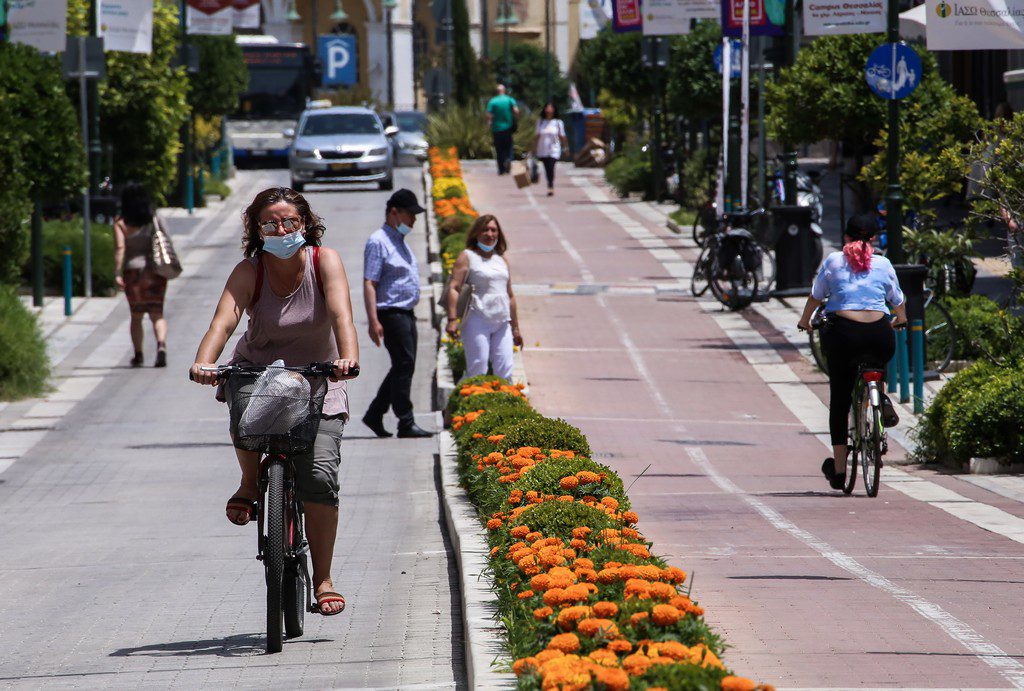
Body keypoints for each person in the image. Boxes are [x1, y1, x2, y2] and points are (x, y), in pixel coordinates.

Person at [190, 187, 359, 616]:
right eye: (270, 223)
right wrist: (204, 361)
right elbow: (223, 320)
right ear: (257, 229)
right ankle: (250, 484)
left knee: (319, 475)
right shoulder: (250, 271)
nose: (281, 229)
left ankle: (323, 579)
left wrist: (347, 357)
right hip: (261, 372)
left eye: (290, 222)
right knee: (245, 417)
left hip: (320, 376)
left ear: (306, 224)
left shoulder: (325, 262)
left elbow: (341, 315)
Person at [798, 215, 907, 490]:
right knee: (877, 362)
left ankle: (838, 471)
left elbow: (816, 295)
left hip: (844, 335)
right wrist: (901, 319)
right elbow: (898, 300)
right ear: (873, 238)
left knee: (840, 399)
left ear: (845, 237)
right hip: (878, 335)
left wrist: (804, 321)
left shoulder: (834, 261)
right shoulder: (882, 263)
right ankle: (879, 397)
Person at [361, 189, 432, 439]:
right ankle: (405, 421)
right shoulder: (378, 241)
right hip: (390, 312)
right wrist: (373, 320)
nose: (413, 220)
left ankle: (375, 413)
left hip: (406, 312)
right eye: (410, 214)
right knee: (404, 364)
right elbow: (370, 282)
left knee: (405, 365)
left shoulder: (397, 240)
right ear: (394, 212)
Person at [445, 214, 522, 380]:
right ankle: (461, 403)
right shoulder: (467, 257)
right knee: (478, 368)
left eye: (493, 230)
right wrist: (452, 319)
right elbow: (454, 288)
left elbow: (510, 296)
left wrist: (515, 328)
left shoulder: (501, 260)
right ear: (476, 234)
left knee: (505, 370)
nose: (490, 234)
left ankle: (501, 405)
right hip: (477, 319)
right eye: (485, 230)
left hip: (502, 322)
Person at [113, 182, 169, 367]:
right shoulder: (154, 217)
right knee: (157, 314)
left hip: (133, 272)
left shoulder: (120, 222)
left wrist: (116, 272)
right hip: (155, 272)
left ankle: (138, 355)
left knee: (136, 316)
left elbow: (120, 248)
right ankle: (161, 344)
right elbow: (166, 238)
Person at [534, 102, 568, 197]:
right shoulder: (540, 122)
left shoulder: (558, 122)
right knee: (546, 168)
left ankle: (550, 185)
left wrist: (566, 147)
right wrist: (533, 148)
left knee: (551, 166)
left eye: (550, 109)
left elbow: (562, 136)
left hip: (554, 149)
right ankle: (549, 183)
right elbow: (537, 136)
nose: (548, 111)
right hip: (543, 149)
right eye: (547, 109)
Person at [486, 84, 519, 176]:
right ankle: (508, 159)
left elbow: (488, 115)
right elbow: (516, 111)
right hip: (508, 128)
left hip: (496, 128)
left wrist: (488, 124)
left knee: (499, 149)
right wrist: (515, 119)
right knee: (508, 147)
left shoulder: (493, 101)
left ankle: (501, 169)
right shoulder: (509, 100)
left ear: (497, 91)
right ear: (504, 91)